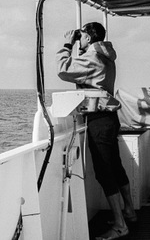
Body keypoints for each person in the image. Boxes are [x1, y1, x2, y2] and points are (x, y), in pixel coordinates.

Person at [56, 22, 135, 240]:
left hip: (99, 120)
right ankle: (128, 211)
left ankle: (120, 225)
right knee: (116, 167)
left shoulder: (92, 58)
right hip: (109, 118)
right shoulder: (106, 55)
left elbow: (63, 70)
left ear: (89, 39)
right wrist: (79, 46)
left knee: (104, 171)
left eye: (81, 36)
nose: (78, 39)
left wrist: (67, 44)